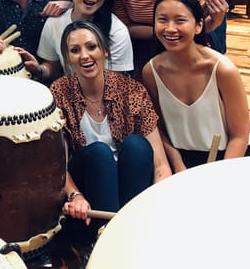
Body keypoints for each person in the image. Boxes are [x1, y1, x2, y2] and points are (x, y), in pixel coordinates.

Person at [52, 20, 171, 244]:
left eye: (91, 47)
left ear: (105, 51)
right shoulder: (59, 92)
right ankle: (114, 238)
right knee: (99, 152)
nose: (85, 56)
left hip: (131, 184)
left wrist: (158, 201)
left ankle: (119, 234)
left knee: (136, 145)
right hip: (87, 189)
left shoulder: (131, 89)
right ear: (67, 58)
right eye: (75, 50)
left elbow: (160, 165)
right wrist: (75, 195)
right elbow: (58, 166)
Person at [142, 0, 250, 171]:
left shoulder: (223, 70)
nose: (170, 28)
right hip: (182, 159)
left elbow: (240, 136)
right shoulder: (151, 71)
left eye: (180, 20)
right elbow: (159, 128)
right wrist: (178, 165)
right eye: (162, 20)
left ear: (199, 25)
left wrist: (219, 175)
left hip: (231, 157)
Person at [32, 0, 132, 82]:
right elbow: (53, 66)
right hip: (69, 90)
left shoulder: (117, 31)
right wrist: (39, 70)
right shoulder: (54, 22)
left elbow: (115, 83)